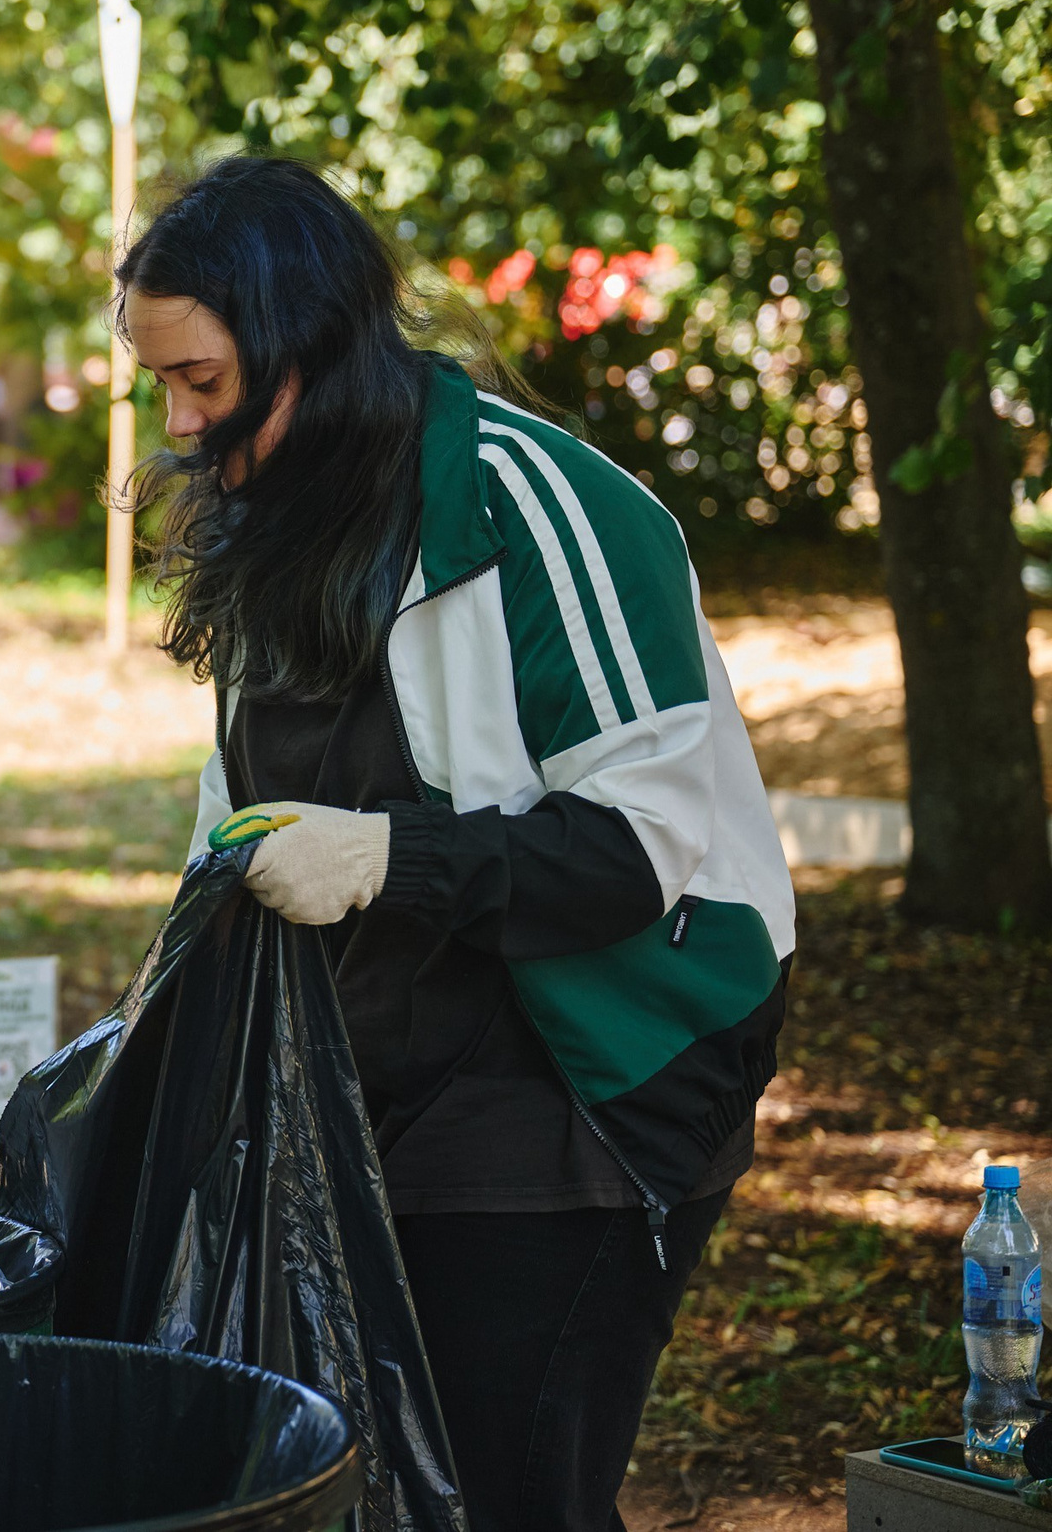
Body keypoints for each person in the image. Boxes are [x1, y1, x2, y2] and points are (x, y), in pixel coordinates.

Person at [122, 157, 791, 1532]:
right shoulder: (275, 516)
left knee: (508, 1476)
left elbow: (641, 844)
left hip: (600, 1067)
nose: (182, 423)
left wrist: (383, 859)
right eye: (165, 386)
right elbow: (238, 805)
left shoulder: (544, 510)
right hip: (386, 1071)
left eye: (202, 379)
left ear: (306, 343)